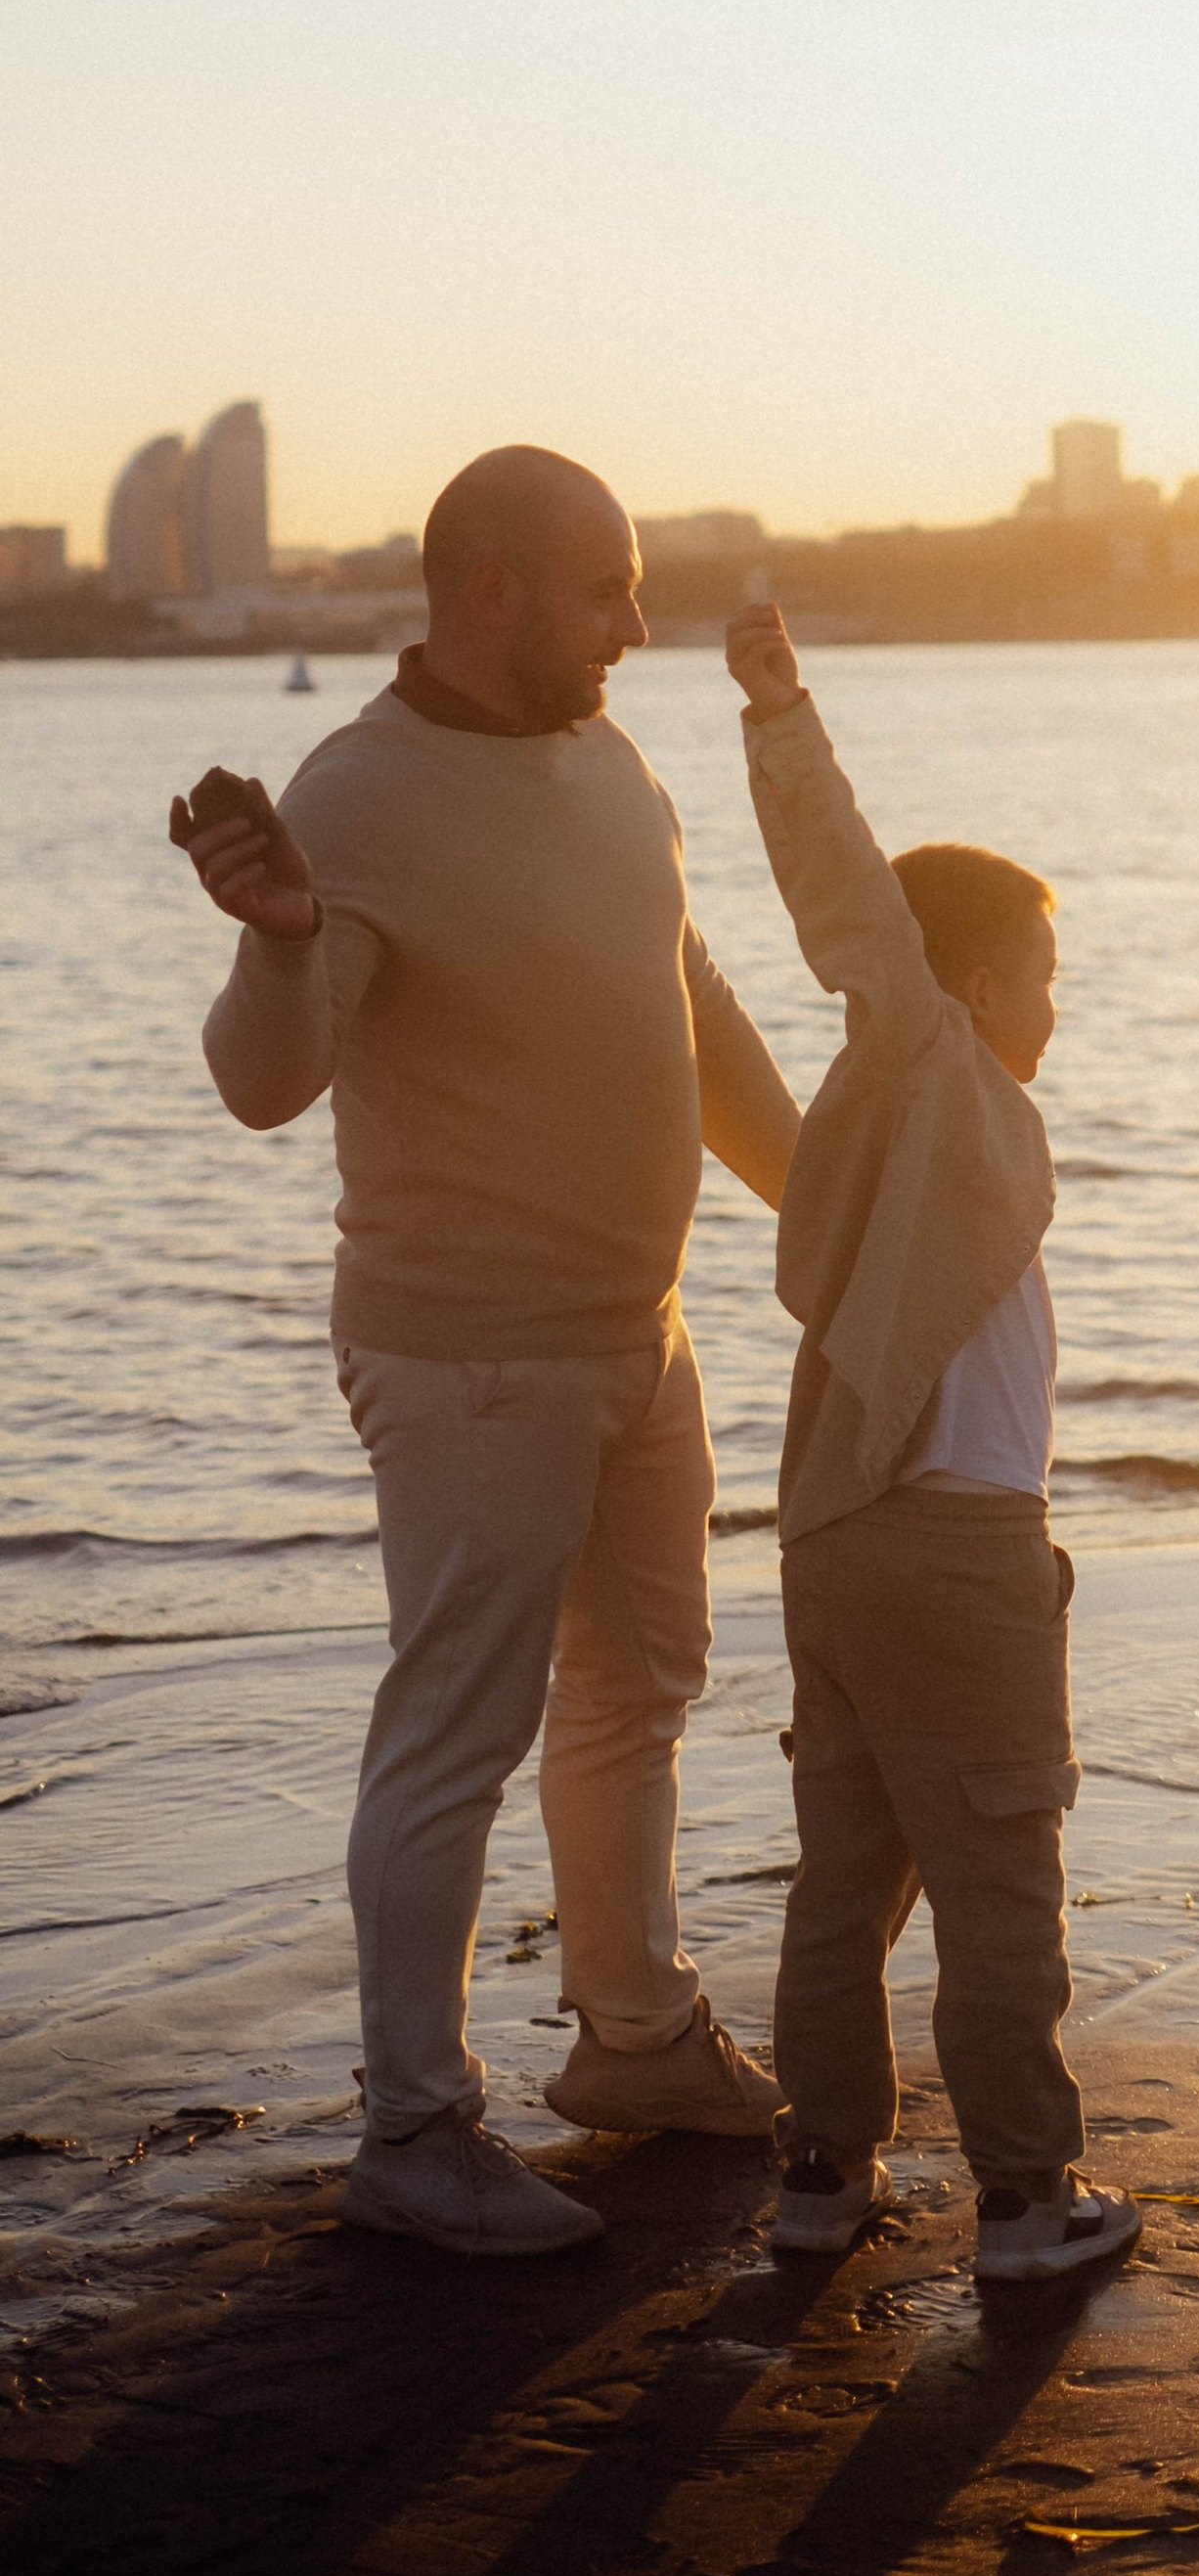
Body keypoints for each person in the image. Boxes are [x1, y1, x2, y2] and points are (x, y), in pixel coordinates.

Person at [171, 448, 801, 2258]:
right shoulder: (354, 794)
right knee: (458, 1731)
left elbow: (691, 1003)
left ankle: (634, 2040)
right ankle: (416, 2128)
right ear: (493, 590)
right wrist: (280, 940)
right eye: (605, 587)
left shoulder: (611, 756)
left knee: (636, 1697)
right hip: (469, 1357)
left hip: (637, 1334)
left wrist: (825, 1218)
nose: (636, 621)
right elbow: (265, 1084)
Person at [724, 598, 1139, 2285]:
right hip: (943, 1544)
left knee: (852, 1867)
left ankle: (823, 2173)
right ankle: (1030, 2205)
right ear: (976, 988)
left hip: (837, 1540)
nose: (1059, 1007)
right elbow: (849, 904)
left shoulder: (908, 1114)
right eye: (1046, 977)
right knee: (999, 1874)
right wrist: (780, 711)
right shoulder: (934, 1064)